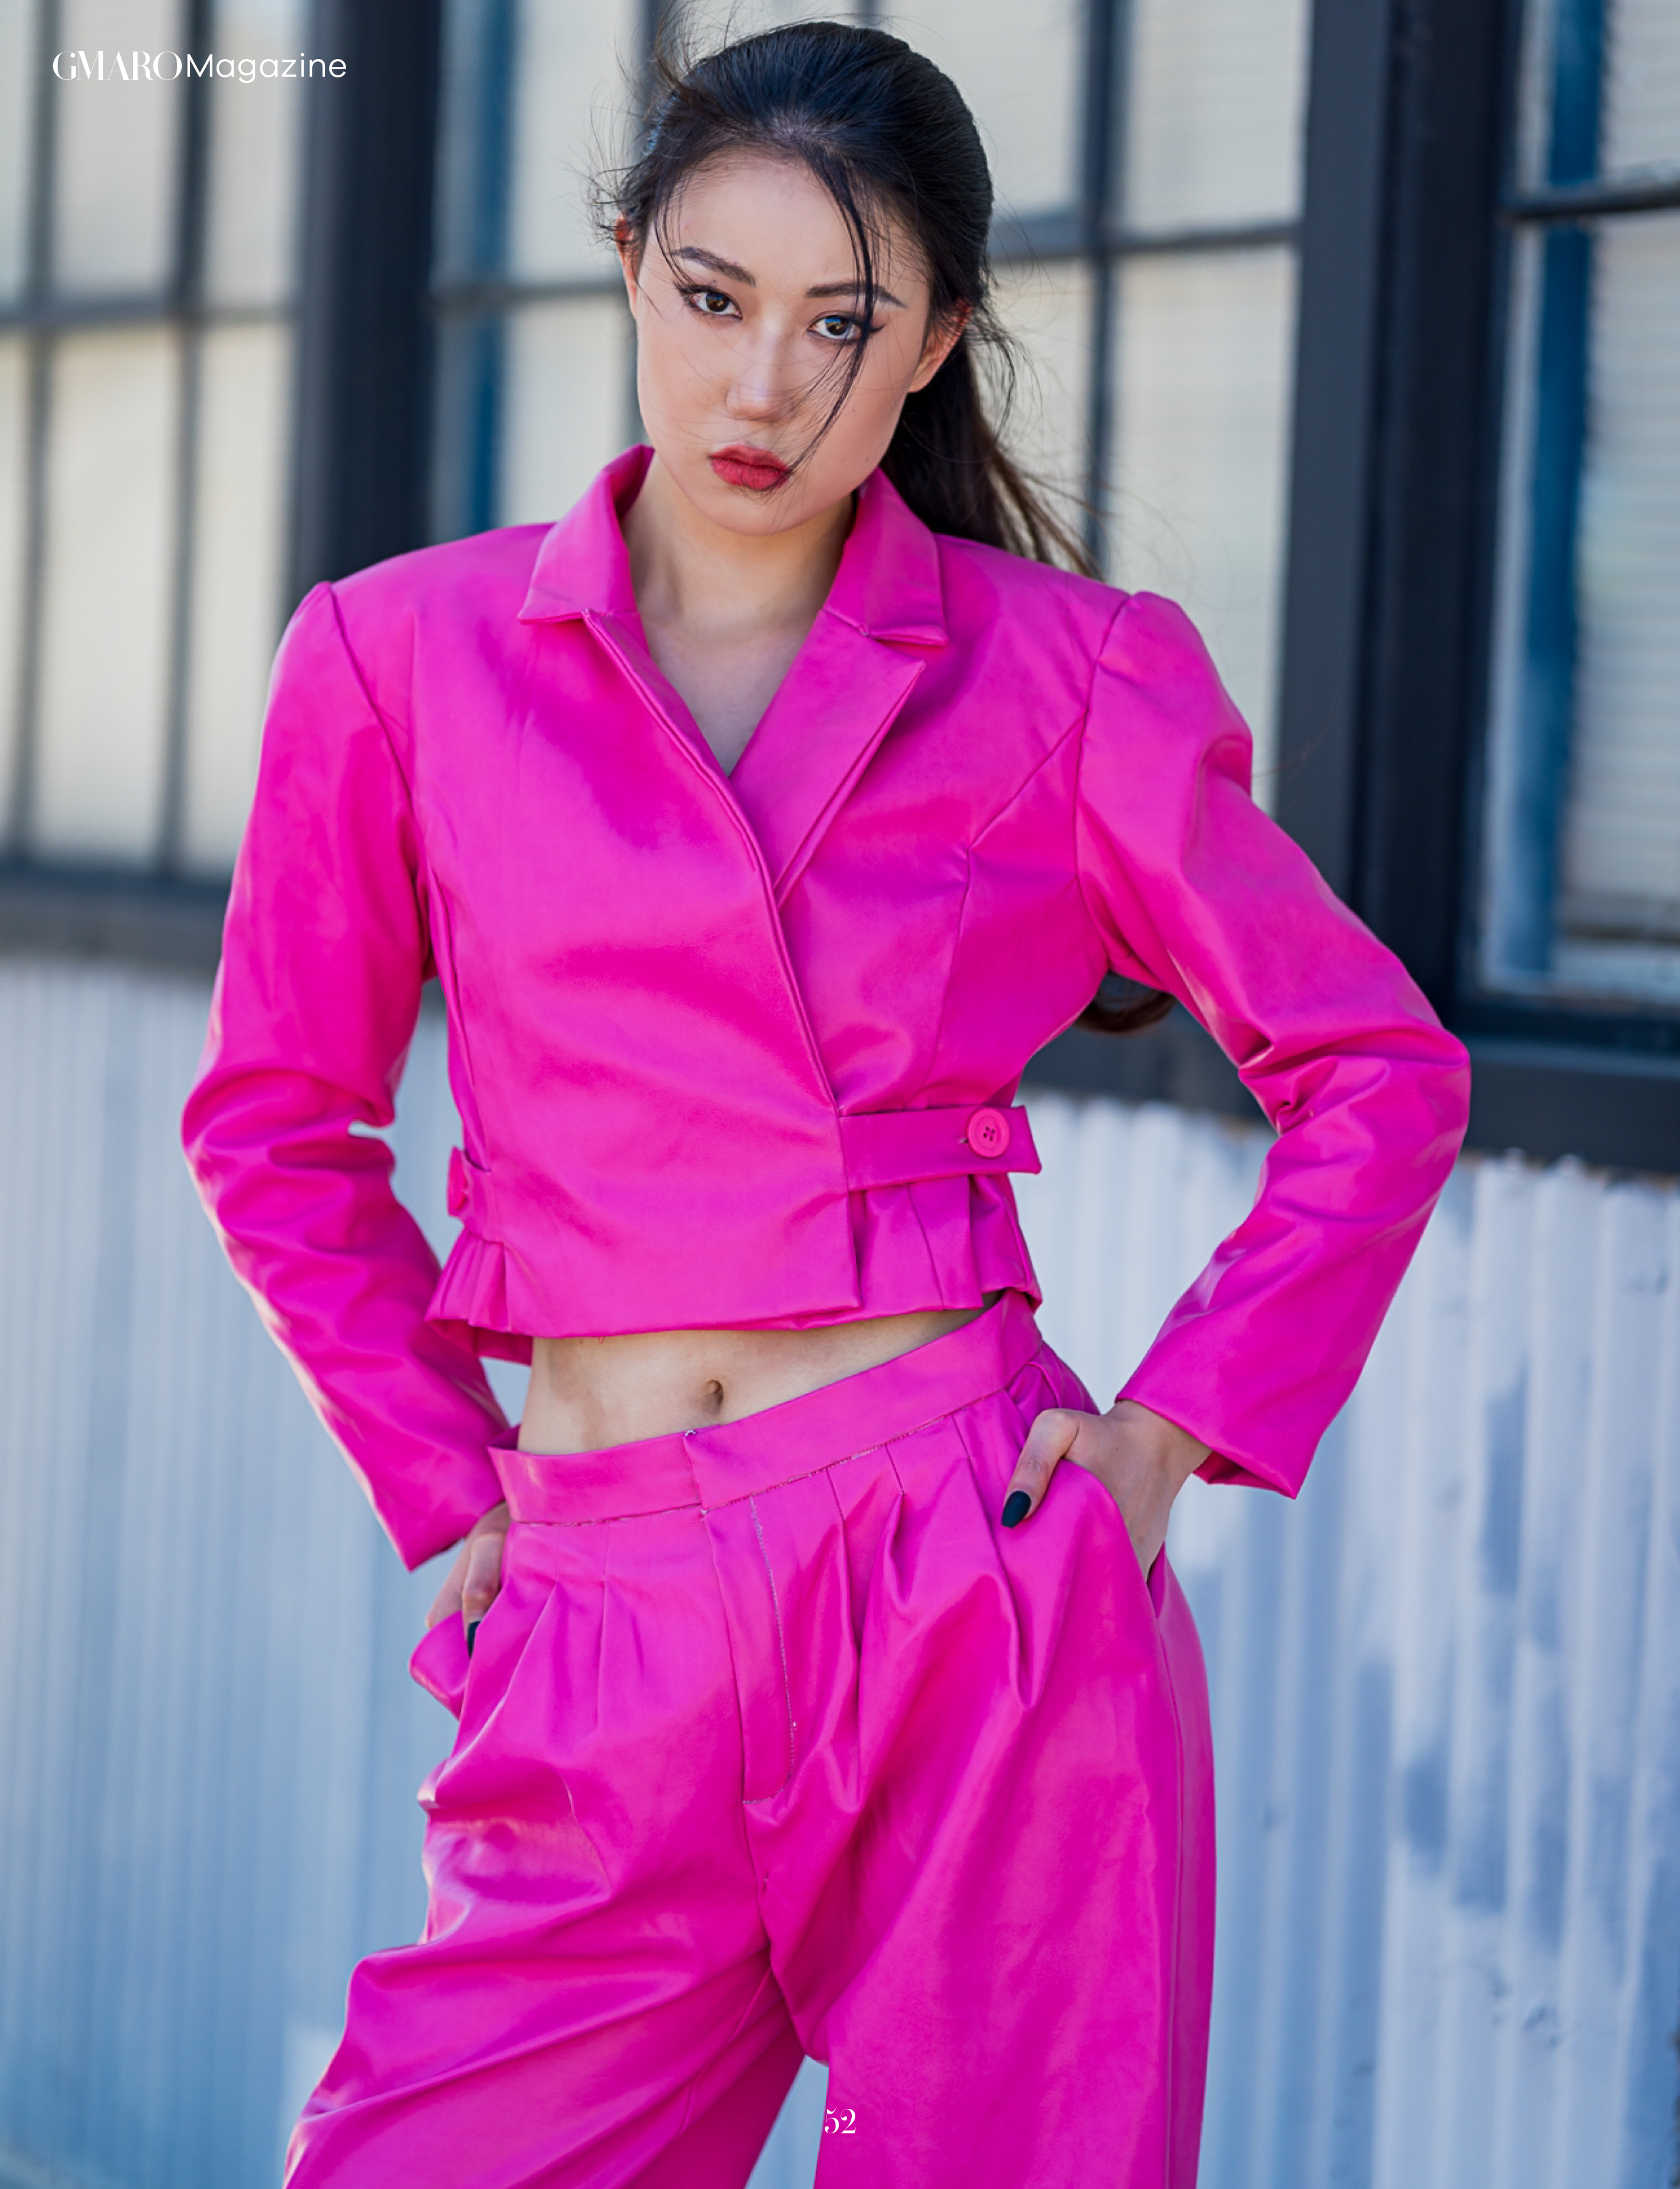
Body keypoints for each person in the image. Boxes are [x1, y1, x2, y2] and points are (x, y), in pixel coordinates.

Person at [182, 22, 1469, 2187]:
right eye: (711, 297)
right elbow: (275, 1129)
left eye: (839, 323)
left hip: (962, 1587)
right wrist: (453, 1482)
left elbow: (1374, 1065)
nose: (760, 385)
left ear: (933, 343)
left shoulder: (1069, 673)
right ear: (627, 267)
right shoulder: (397, 658)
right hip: (596, 1602)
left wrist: (1164, 1435)